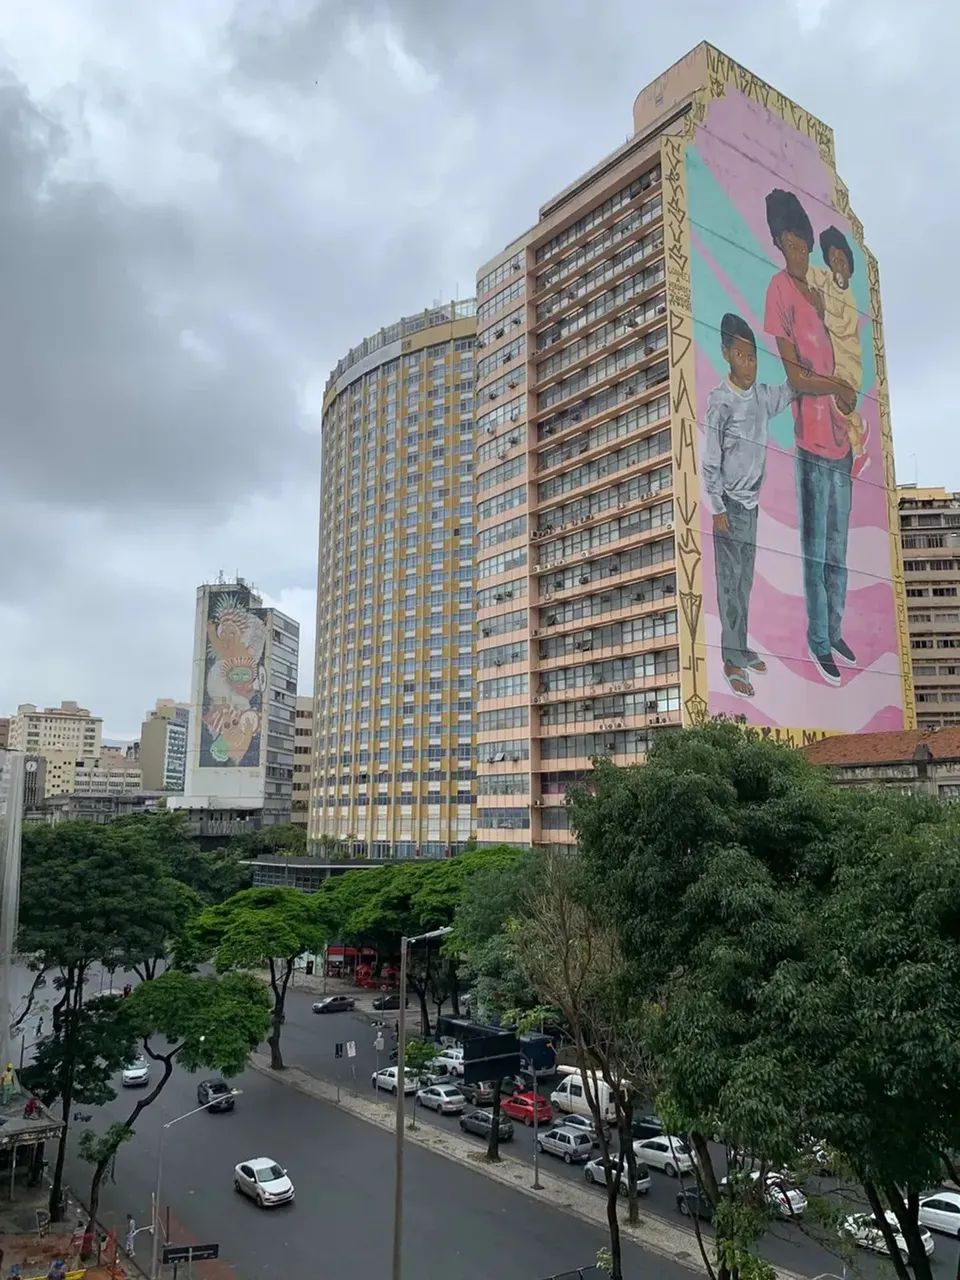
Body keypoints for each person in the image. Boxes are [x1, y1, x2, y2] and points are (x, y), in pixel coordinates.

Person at [763, 188, 858, 686]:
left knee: (839, 547)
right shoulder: (778, 291)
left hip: (840, 441)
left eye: (803, 245)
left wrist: (845, 396)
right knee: (817, 549)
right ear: (779, 244)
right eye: (790, 245)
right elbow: (797, 377)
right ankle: (818, 641)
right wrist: (837, 386)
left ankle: (837, 629)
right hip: (810, 443)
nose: (798, 254)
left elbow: (834, 358)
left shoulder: (819, 294)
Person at [702, 313, 795, 698]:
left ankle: (740, 648)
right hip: (729, 509)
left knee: (744, 584)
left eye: (753, 356)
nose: (749, 364)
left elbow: (791, 390)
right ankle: (730, 661)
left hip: (751, 506)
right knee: (728, 588)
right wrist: (718, 509)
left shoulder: (762, 396)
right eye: (741, 356)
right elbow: (710, 463)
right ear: (726, 354)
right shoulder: (720, 403)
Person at [810, 225, 868, 478]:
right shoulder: (823, 279)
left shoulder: (850, 298)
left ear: (850, 264)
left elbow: (844, 326)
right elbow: (806, 275)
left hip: (847, 359)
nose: (837, 265)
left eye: (841, 259)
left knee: (840, 402)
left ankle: (857, 444)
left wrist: (822, 316)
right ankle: (856, 443)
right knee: (835, 407)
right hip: (831, 355)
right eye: (833, 259)